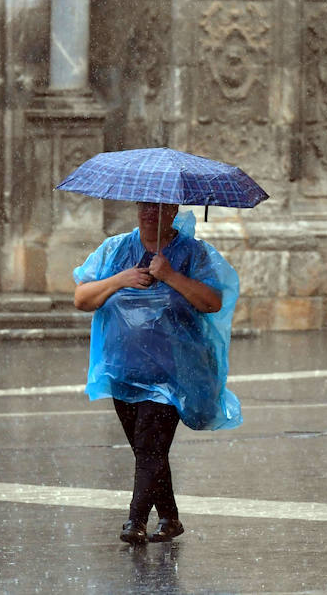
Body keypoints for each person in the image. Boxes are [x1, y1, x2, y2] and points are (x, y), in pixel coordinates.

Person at [73, 201, 241, 546]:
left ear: (173, 209)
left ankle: (135, 521)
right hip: (123, 367)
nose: (149, 213)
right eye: (143, 206)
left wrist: (170, 276)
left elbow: (212, 302)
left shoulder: (193, 253)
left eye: (158, 207)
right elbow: (82, 298)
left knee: (149, 444)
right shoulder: (116, 249)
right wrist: (122, 279)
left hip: (173, 372)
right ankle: (170, 517)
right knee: (146, 448)